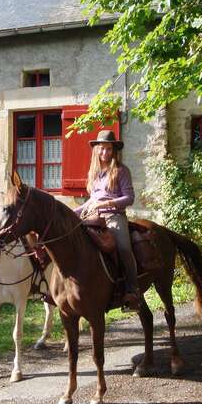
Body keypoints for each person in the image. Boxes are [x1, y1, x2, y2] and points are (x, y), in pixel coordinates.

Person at [74, 130, 140, 311]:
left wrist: (107, 204)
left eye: (109, 149)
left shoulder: (121, 170)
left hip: (114, 216)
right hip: (92, 216)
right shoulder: (94, 173)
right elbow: (91, 201)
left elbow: (129, 197)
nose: (105, 153)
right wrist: (72, 213)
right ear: (97, 150)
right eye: (102, 149)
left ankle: (133, 291)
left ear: (114, 150)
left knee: (124, 248)